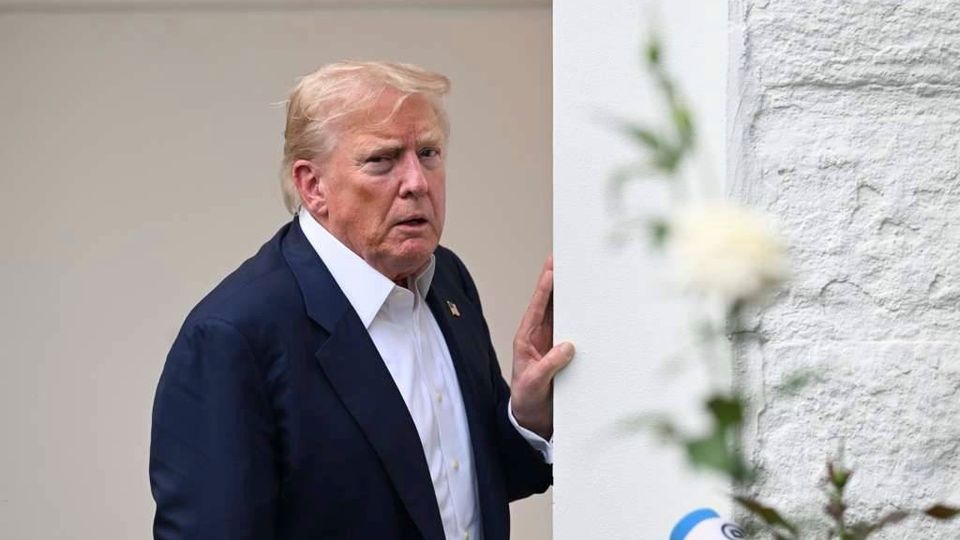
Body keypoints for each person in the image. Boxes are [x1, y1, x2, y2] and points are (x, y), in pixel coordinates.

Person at [149, 61, 575, 540]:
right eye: (382, 160)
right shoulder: (234, 336)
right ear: (313, 186)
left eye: (428, 153)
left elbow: (460, 491)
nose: (417, 182)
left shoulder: (446, 278)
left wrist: (527, 416)